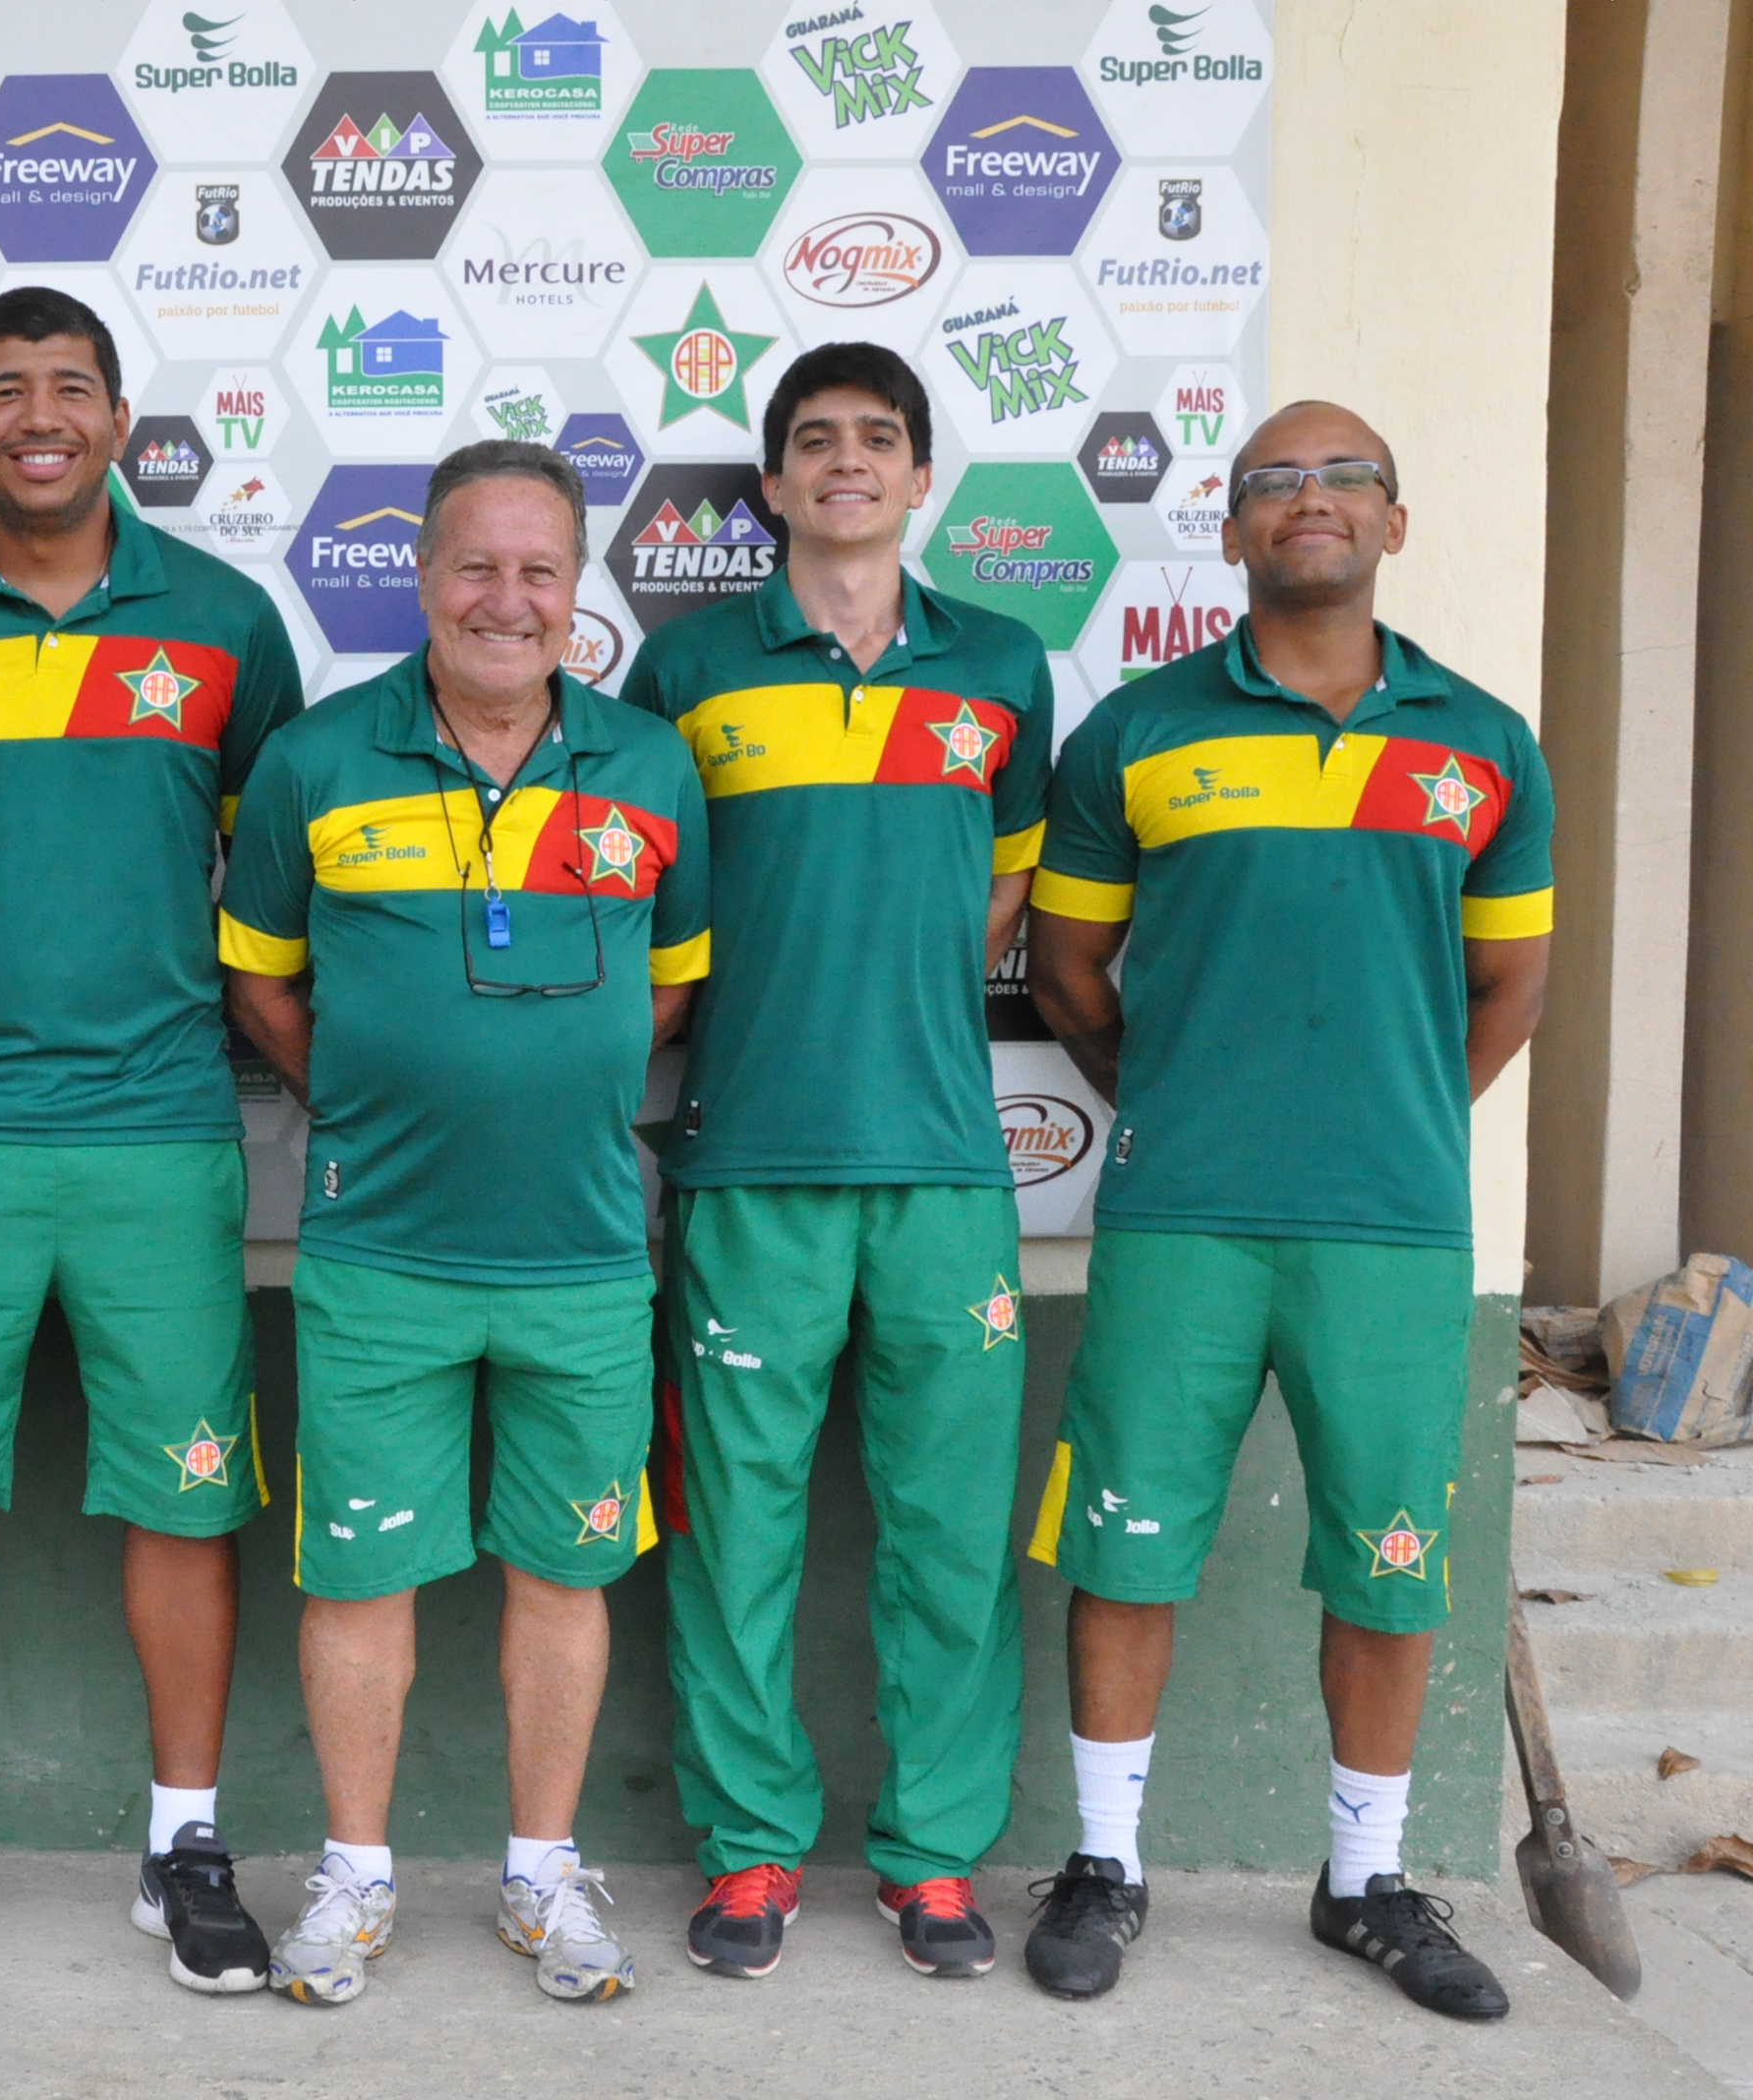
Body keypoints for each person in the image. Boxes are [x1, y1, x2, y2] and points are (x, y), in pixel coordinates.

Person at [1021, 402, 1551, 2018]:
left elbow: (1510, 979)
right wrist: (1186, 1093)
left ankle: (1364, 1878)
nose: (1306, 501)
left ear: (1396, 521)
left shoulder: (1484, 743)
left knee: (1390, 1559)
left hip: (1389, 1229)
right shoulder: (1136, 734)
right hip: (1182, 1209)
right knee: (1129, 1543)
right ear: (1232, 528)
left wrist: (1381, 1108)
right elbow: (1068, 970)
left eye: (1341, 479)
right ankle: (1107, 1863)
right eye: (1272, 483)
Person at [0, 285, 303, 1998]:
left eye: (70, 387)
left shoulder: (227, 624)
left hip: (163, 1128)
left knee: (186, 1499)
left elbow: (265, 874)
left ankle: (186, 1843)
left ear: (118, 420)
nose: (39, 415)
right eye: (2, 389)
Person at [221, 440, 711, 2007]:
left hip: (578, 1252)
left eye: (541, 570)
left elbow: (677, 980)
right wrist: (368, 1092)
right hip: (378, 1250)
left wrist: (546, 1089)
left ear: (580, 595)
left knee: (563, 1577)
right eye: (476, 566)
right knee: (359, 1577)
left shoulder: (648, 767)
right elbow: (259, 978)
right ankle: (355, 1880)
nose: (509, 598)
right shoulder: (316, 760)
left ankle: (541, 1876)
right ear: (422, 578)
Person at [617, 342, 1052, 1982]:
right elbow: (659, 910)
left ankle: (935, 1859)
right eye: (817, 442)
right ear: (777, 486)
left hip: (945, 1170)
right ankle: (749, 1853)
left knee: (950, 1531)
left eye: (880, 440)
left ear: (921, 476)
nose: (849, 463)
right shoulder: (690, 670)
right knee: (740, 1529)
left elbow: (1002, 897)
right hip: (750, 1164)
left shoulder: (1002, 666)